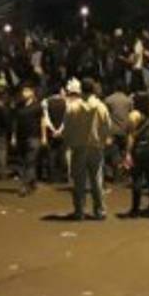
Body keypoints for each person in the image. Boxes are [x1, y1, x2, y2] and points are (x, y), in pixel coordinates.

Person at [63, 78, 110, 220]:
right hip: (96, 147)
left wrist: (68, 143)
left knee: (79, 181)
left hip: (78, 147)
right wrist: (102, 141)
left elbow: (67, 127)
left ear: (81, 90)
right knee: (97, 180)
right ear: (94, 89)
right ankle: (100, 210)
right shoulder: (101, 107)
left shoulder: (73, 107)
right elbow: (107, 127)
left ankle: (79, 211)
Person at [123, 91, 149, 217]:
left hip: (139, 148)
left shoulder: (134, 115)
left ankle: (135, 209)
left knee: (137, 178)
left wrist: (128, 153)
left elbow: (131, 136)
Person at [13, 85, 44, 196]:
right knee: (24, 161)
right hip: (21, 137)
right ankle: (32, 183)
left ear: (32, 92)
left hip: (34, 136)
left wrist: (44, 136)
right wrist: (13, 136)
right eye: (23, 91)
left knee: (29, 161)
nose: (24, 93)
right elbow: (15, 122)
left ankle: (24, 186)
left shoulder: (37, 106)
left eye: (26, 91)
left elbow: (42, 121)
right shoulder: (19, 106)